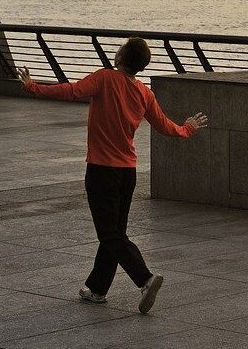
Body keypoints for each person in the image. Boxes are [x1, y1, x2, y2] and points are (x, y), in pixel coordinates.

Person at [17, 36, 207, 314]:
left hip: (101, 171)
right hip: (127, 173)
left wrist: (33, 87)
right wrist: (187, 128)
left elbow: (71, 91)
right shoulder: (144, 93)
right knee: (114, 233)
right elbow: (165, 126)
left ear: (120, 58)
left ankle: (145, 278)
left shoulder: (105, 78)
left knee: (110, 234)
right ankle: (97, 289)